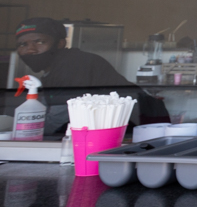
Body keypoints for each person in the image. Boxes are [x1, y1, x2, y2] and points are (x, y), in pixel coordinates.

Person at [13, 17, 167, 135]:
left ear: (59, 44)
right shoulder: (55, 68)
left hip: (139, 132)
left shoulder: (73, 64)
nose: (30, 49)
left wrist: (23, 132)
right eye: (23, 44)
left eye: (39, 42)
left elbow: (60, 118)